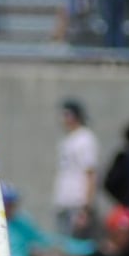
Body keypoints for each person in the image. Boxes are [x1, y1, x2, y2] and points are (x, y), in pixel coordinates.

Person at [51, 99, 99, 240]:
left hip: (77, 203)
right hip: (64, 203)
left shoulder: (85, 138)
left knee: (76, 249)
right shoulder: (68, 139)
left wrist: (86, 209)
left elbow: (90, 173)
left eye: (67, 115)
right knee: (63, 246)